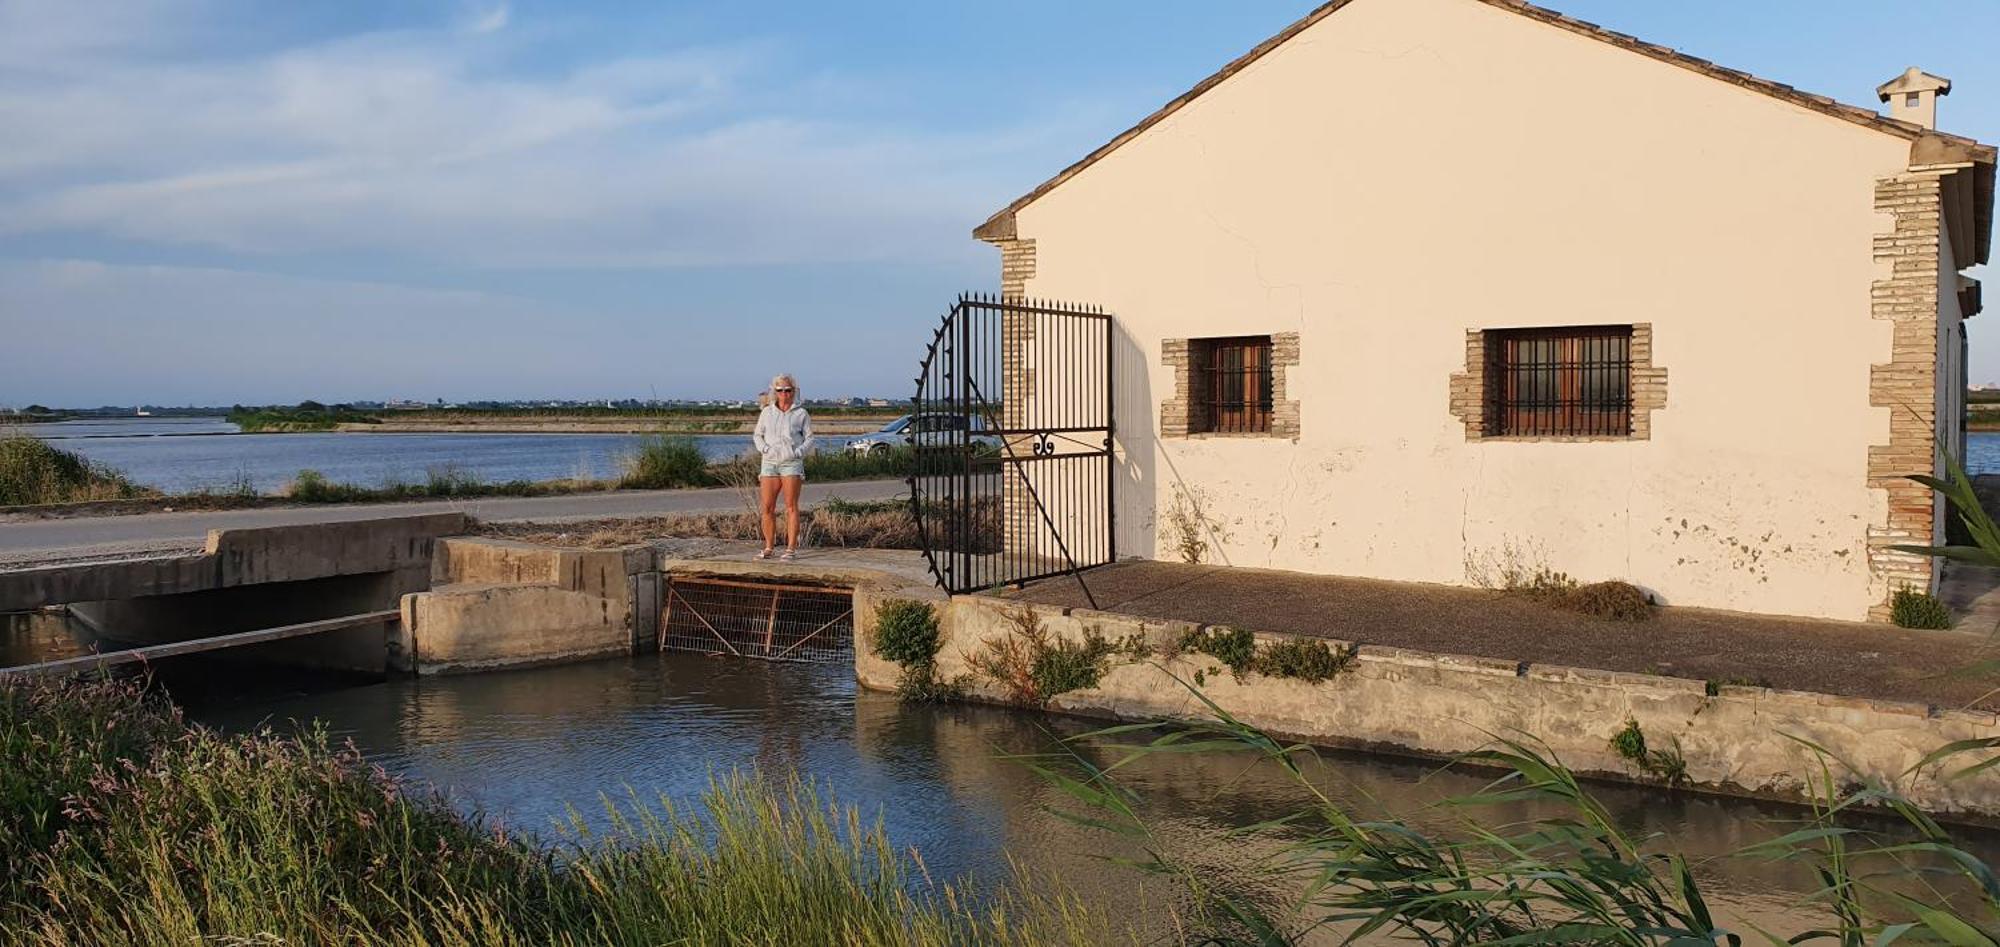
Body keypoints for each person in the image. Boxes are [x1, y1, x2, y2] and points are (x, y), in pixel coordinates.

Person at [751, 373, 812, 560]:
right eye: (780, 390)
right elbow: (757, 435)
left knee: (791, 506)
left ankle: (790, 549)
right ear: (775, 391)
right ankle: (769, 547)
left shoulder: (801, 413)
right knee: (767, 507)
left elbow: (810, 439)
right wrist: (765, 449)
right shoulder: (767, 412)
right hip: (769, 462)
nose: (784, 393)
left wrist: (797, 452)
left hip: (791, 463)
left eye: (788, 390)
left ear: (794, 391)